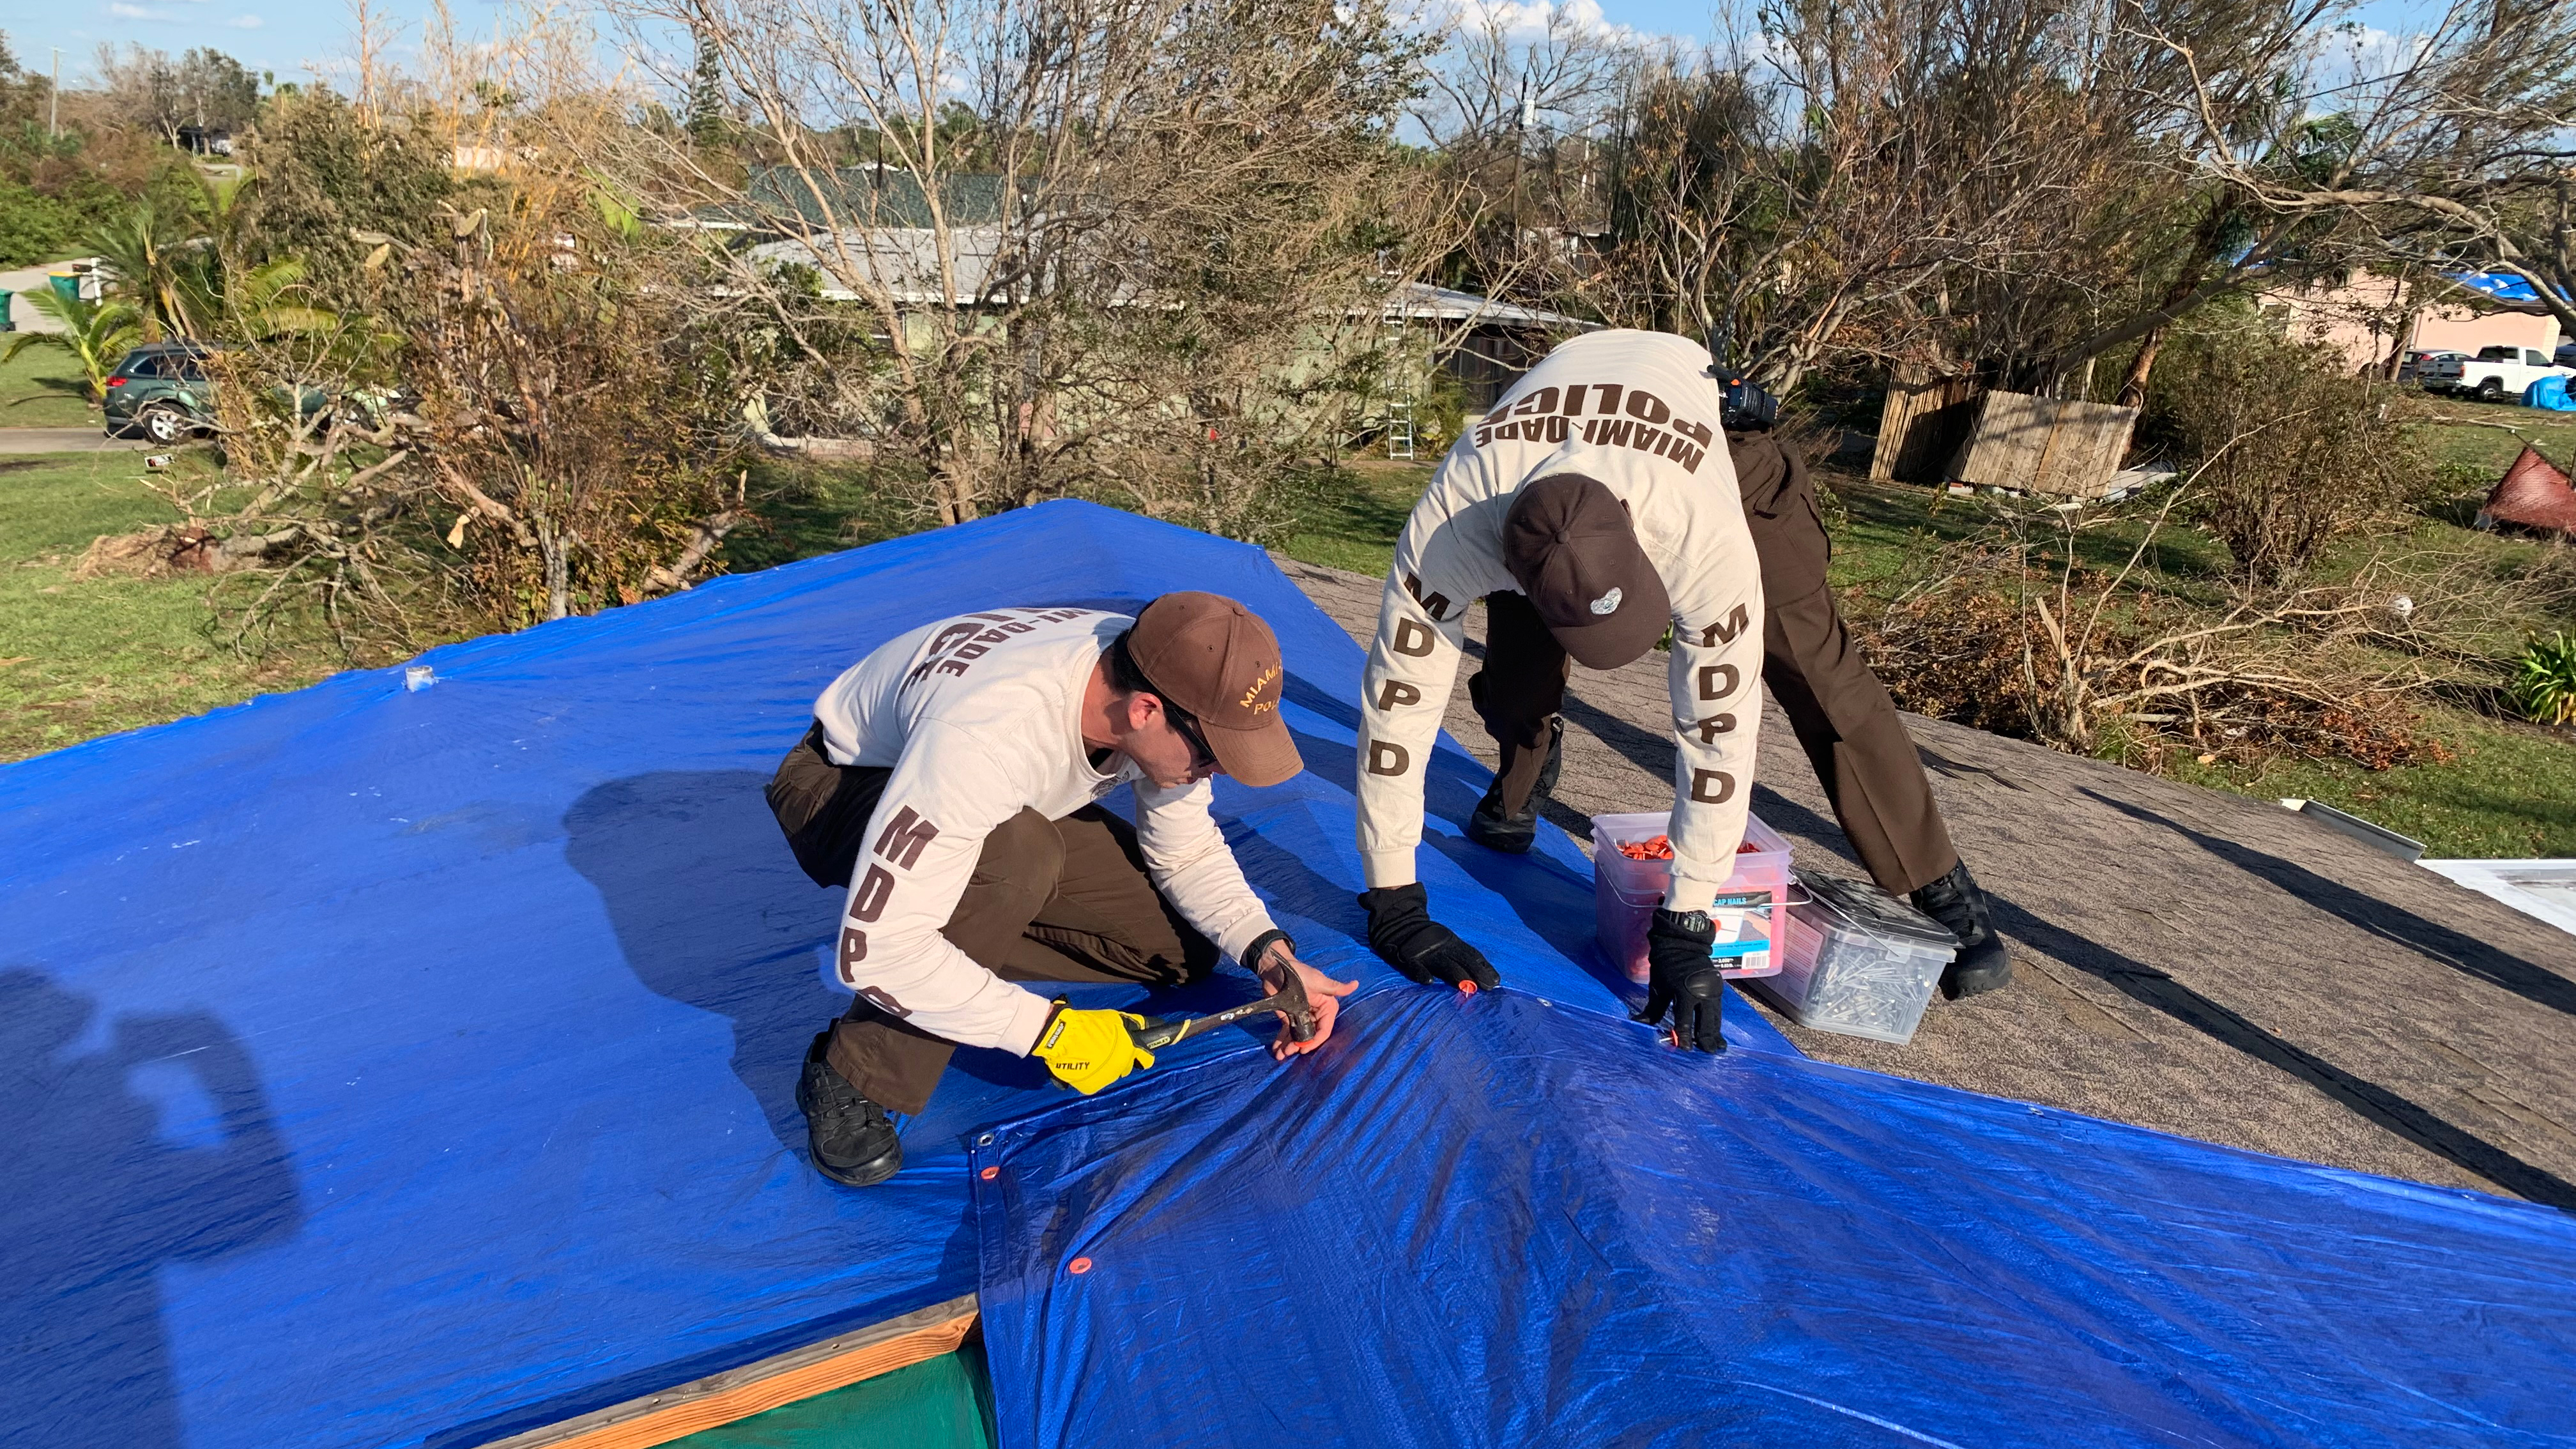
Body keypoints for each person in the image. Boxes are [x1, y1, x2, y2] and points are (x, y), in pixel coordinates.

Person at [1353, 330, 2010, 1055]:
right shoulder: (1453, 522)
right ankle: (1525, 776)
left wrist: (1688, 917)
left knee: (1812, 666)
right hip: (1532, 489)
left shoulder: (1702, 532)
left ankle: (1938, 882)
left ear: (1646, 546)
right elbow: (1398, 704)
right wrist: (1393, 900)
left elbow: (1718, 731)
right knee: (1515, 683)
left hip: (1715, 446)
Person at [765, 593, 1353, 1186]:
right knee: (1020, 858)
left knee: (1184, 947)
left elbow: (1187, 847)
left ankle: (963, 928)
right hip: (841, 787)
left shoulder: (1160, 667)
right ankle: (856, 1069)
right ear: (1145, 711)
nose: (1219, 773)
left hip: (990, 796)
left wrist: (1268, 952)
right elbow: (877, 951)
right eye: (1211, 755)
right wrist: (1047, 1031)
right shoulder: (988, 735)